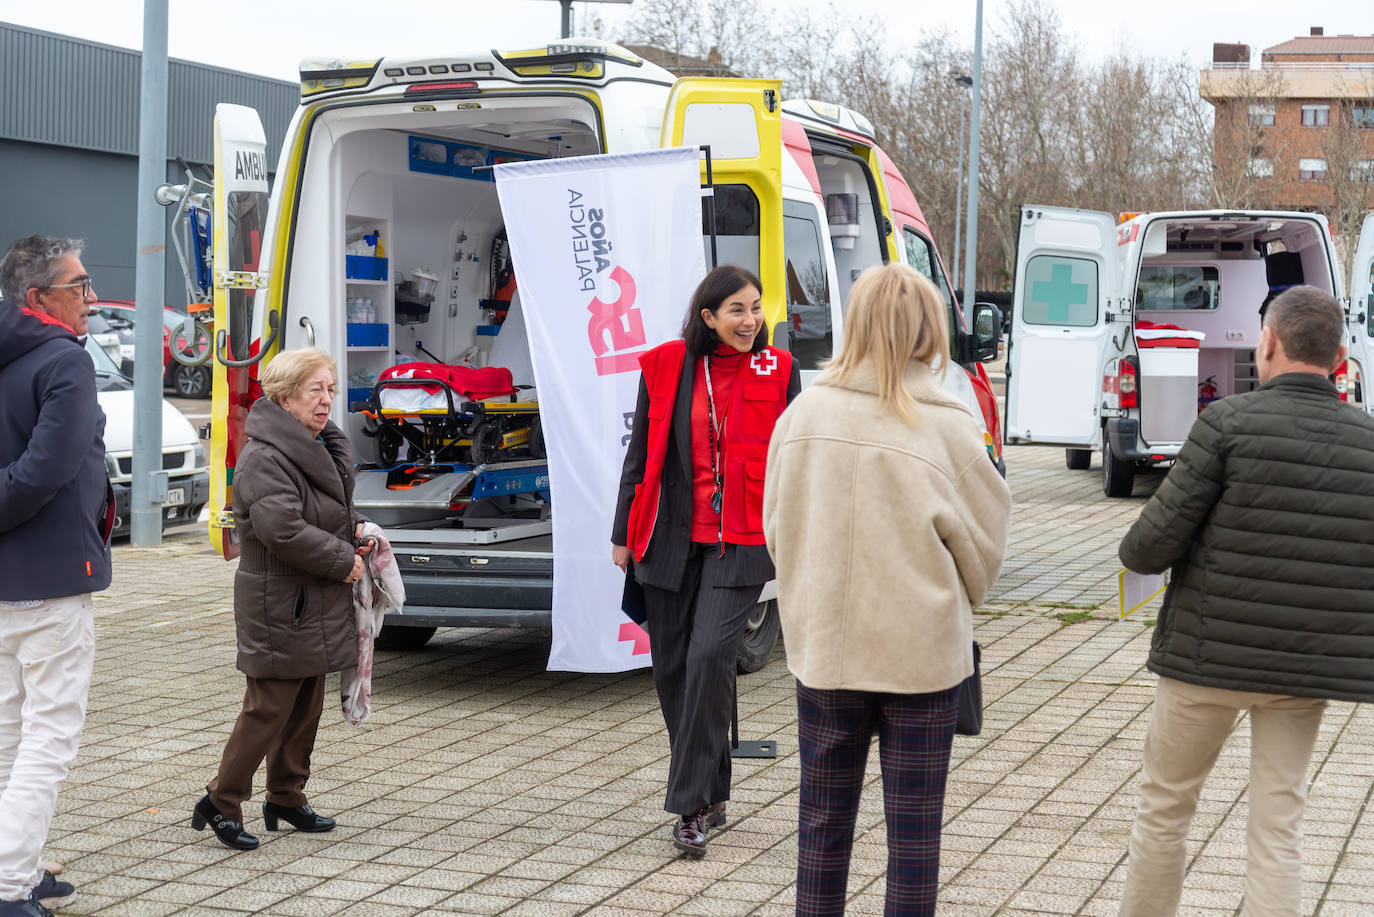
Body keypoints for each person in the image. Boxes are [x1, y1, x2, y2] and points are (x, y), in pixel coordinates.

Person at [1116, 285, 1374, 917]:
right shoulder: (1369, 443)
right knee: (1279, 824)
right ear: (1340, 357)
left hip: (1204, 662)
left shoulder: (1226, 424)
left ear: (1268, 343)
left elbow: (1145, 550)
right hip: (1303, 669)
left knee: (1166, 809)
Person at [762, 263, 1011, 917]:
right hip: (922, 658)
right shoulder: (949, 424)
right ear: (929, 330)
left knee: (820, 827)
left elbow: (774, 528)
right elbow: (986, 551)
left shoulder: (802, 414)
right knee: (913, 842)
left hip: (826, 649)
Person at [611, 264, 800, 857]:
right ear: (708, 317)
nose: (751, 320)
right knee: (672, 669)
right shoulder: (668, 367)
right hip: (668, 537)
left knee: (711, 654)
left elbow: (797, 459)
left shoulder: (780, 370)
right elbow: (639, 454)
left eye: (756, 307)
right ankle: (712, 785)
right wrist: (621, 533)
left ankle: (689, 806)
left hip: (741, 541)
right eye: (737, 310)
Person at [194, 348, 371, 850]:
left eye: (331, 389)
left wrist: (355, 533)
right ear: (285, 395)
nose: (326, 400)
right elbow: (282, 529)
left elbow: (321, 516)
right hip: (279, 599)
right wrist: (342, 560)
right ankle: (221, 801)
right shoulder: (266, 456)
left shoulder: (317, 446)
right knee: (268, 707)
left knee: (305, 705)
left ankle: (286, 797)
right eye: (315, 389)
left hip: (308, 597)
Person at [0, 235, 110, 917]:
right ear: (38, 298)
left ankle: (20, 863)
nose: (92, 299)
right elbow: (47, 469)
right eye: (80, 285)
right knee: (48, 739)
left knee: (9, 733)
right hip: (51, 583)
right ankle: (11, 887)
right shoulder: (64, 362)